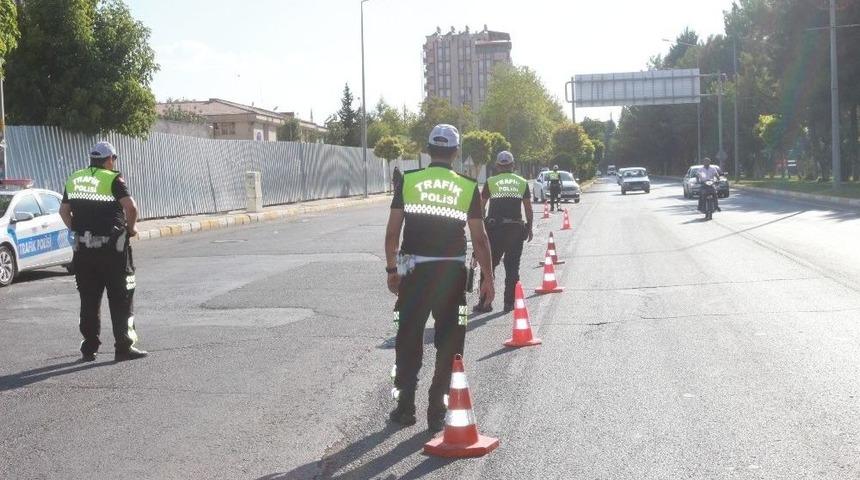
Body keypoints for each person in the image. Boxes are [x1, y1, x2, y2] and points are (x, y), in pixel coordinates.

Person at [384, 124, 494, 431]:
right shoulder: (468, 185)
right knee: (450, 339)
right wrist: (489, 278)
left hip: (411, 271)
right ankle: (436, 409)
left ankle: (405, 407)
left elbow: (393, 233)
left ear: (428, 150)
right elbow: (480, 239)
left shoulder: (408, 180)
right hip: (452, 274)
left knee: (407, 335)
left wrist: (392, 270)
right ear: (456, 152)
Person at [59, 142, 148, 362]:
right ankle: (123, 347)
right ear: (109, 159)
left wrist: (77, 230)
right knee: (121, 298)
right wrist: (131, 229)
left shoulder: (75, 178)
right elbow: (131, 208)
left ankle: (89, 348)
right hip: (112, 252)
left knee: (89, 300)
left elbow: (63, 211)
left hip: (84, 252)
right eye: (114, 159)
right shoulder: (112, 179)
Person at [473, 151, 533, 313]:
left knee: (489, 266)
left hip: (495, 231)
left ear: (498, 166)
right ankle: (509, 303)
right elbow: (528, 207)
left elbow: (480, 207)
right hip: (515, 230)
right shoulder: (521, 182)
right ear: (513, 165)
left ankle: (485, 303)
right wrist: (530, 227)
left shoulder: (491, 182)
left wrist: (481, 226)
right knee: (512, 268)